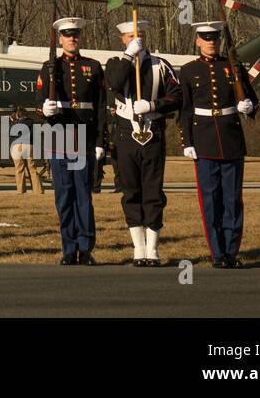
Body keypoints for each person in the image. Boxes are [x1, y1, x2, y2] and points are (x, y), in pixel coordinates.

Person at [180, 21, 259, 268]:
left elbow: (252, 99)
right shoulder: (189, 70)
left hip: (231, 139)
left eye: (214, 38)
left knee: (232, 200)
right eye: (206, 38)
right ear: (198, 42)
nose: (211, 42)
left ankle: (231, 252)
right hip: (203, 141)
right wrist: (187, 142)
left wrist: (248, 106)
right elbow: (185, 110)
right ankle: (217, 252)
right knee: (210, 200)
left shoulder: (232, 67)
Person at [104, 19, 183, 266]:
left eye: (137, 36)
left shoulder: (161, 65)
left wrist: (153, 105)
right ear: (122, 40)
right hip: (126, 135)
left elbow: (178, 96)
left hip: (153, 133)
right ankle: (138, 248)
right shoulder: (115, 63)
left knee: (153, 191)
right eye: (129, 37)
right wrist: (129, 56)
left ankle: (153, 249)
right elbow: (114, 83)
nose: (134, 40)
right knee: (131, 191)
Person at [37, 16, 106, 265]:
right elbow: (39, 103)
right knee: (64, 195)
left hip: (84, 138)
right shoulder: (49, 67)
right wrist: (44, 109)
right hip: (58, 138)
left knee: (83, 196)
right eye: (67, 35)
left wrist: (100, 142)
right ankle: (68, 248)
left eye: (75, 34)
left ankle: (85, 247)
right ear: (60, 39)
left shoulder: (93, 67)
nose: (72, 39)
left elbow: (100, 109)